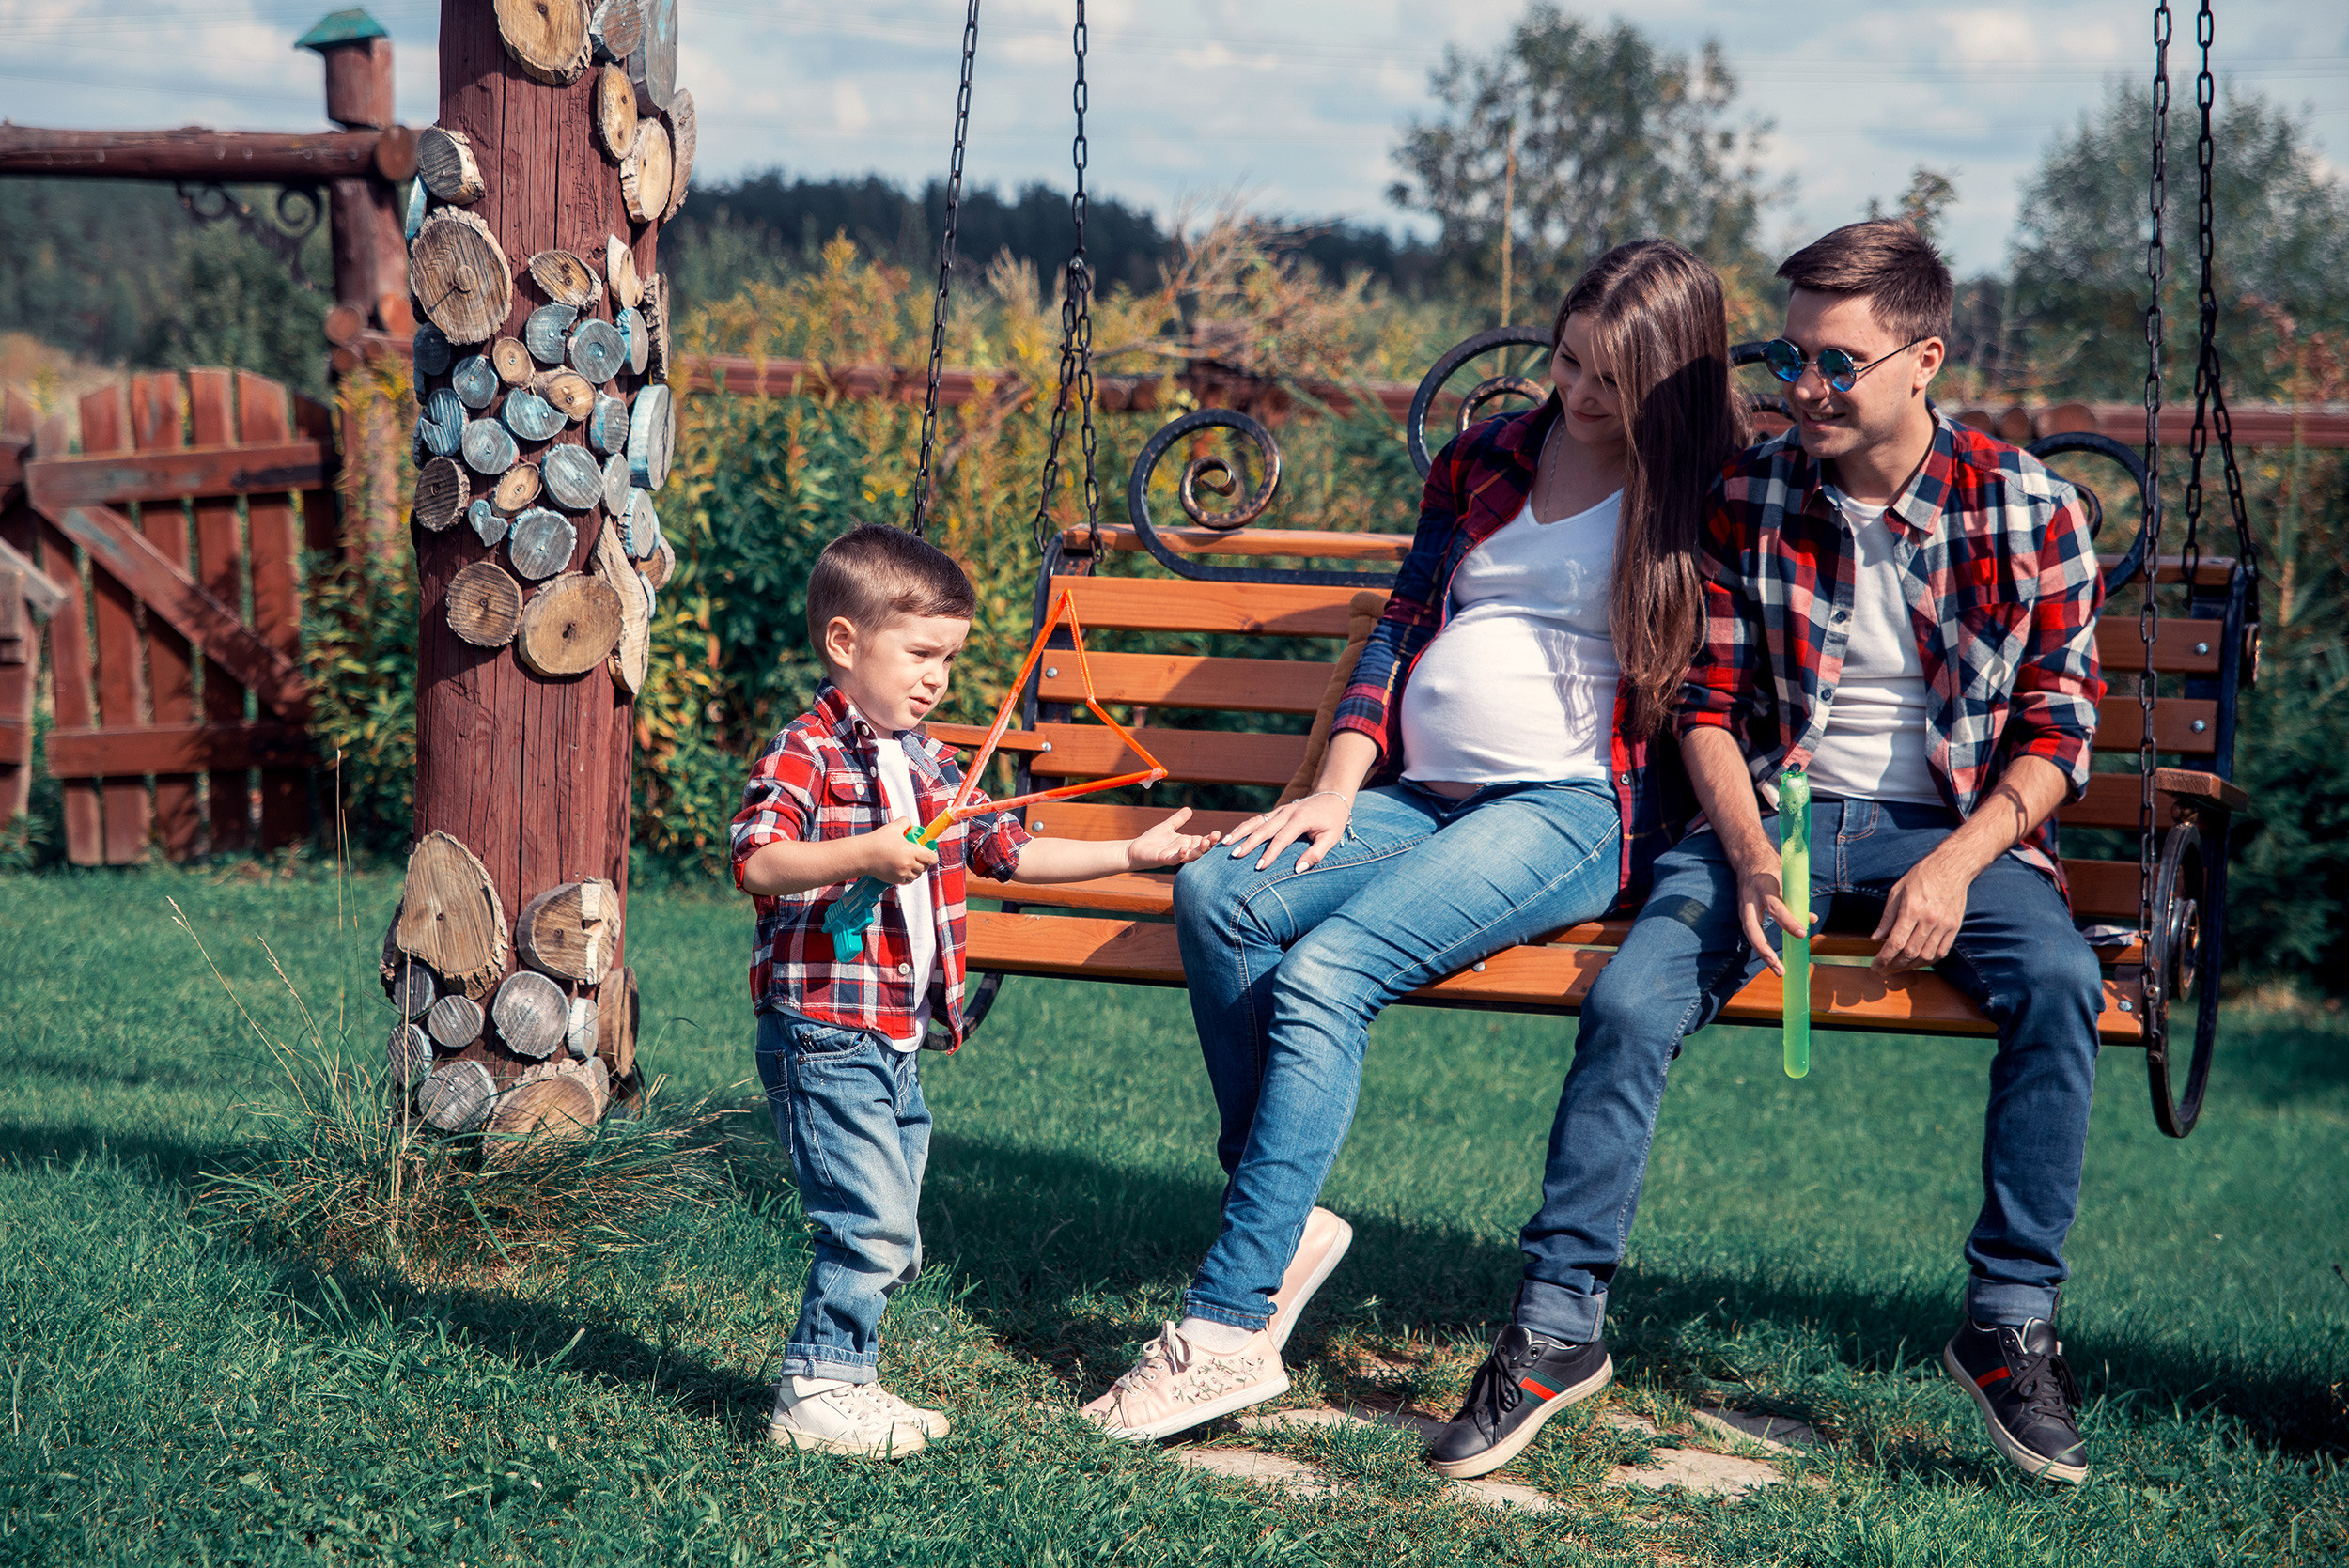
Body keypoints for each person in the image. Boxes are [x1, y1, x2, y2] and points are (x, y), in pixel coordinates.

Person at [1423, 220, 2107, 1486]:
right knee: (1631, 1000)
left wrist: (1957, 865)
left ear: (1924, 361)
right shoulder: (1751, 493)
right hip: (1772, 815)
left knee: (2064, 987)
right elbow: (1703, 704)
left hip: (1951, 830)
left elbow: (2060, 732)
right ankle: (1557, 1325)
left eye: (1838, 363)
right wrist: (1744, 855)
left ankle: (2009, 1323)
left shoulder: (2032, 507)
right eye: (1792, 357)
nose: (1804, 389)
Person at [1080, 240, 1745, 1442]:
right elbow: (1399, 622)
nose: (1580, 395)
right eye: (1569, 361)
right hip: (1419, 792)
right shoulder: (1489, 453)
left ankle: (1226, 1326)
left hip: (1571, 808)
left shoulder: (1713, 487)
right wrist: (1336, 782)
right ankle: (1283, 1222)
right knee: (1224, 894)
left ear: (1672, 381)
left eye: (1613, 380)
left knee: (1329, 972)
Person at [730, 523, 1224, 1458]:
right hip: (824, 1031)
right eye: (920, 654)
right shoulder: (807, 751)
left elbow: (1013, 849)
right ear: (845, 643)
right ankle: (818, 1387)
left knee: (891, 1220)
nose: (935, 680)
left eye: (949, 661)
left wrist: (1130, 852)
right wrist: (864, 852)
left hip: (894, 1036)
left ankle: (849, 1376)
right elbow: (760, 863)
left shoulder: (924, 758)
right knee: (869, 1220)